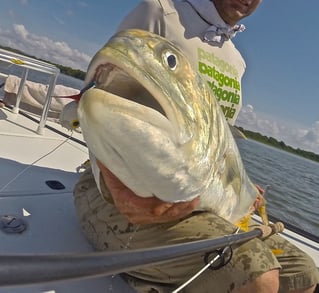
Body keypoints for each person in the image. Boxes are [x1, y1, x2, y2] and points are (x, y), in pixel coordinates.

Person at [73, 0, 319, 292]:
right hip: (119, 197)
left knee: (306, 274)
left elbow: (215, 138)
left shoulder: (236, 61)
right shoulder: (161, 12)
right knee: (258, 277)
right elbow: (100, 98)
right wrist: (120, 192)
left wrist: (243, 186)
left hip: (192, 207)